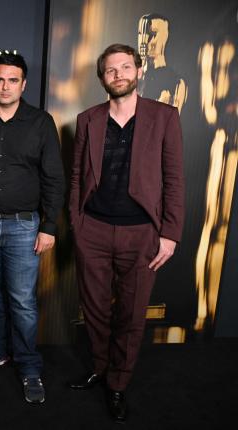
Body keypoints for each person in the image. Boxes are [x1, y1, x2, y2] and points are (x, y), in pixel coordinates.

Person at [68, 44, 184, 423]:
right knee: (96, 311)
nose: (118, 74)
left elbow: (174, 180)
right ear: (102, 78)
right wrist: (77, 222)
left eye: (125, 67)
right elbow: (76, 177)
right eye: (111, 70)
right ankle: (101, 368)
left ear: (138, 71)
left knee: (131, 316)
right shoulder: (88, 119)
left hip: (142, 234)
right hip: (94, 230)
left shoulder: (164, 117)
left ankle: (118, 383)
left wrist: (170, 234)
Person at [0, 53, 65, 404]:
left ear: (23, 84)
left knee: (22, 301)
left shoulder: (40, 122)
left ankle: (29, 365)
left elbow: (54, 178)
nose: (5, 86)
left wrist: (49, 226)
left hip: (24, 226)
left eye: (12, 80)